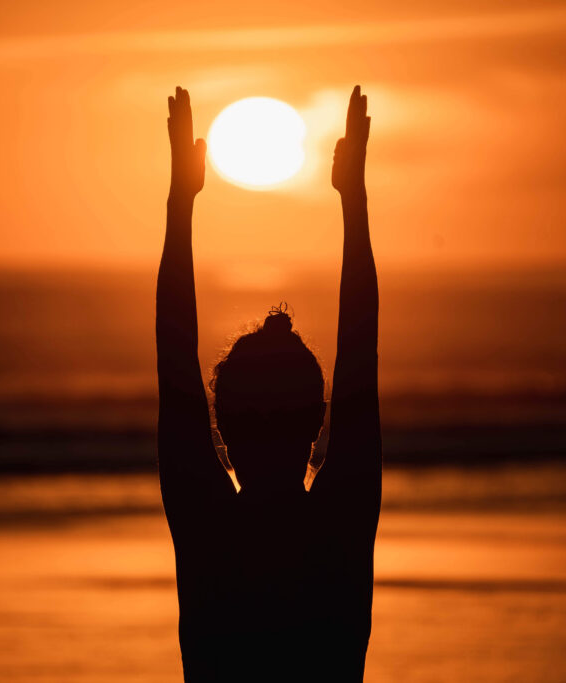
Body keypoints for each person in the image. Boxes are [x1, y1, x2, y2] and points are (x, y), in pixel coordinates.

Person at [156, 85, 381, 682]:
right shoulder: (339, 524)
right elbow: (362, 354)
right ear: (318, 421)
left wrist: (183, 203)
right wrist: (352, 203)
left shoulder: (209, 529)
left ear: (221, 426)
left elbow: (174, 361)